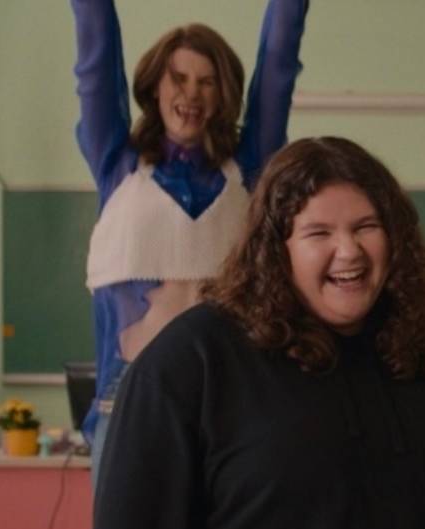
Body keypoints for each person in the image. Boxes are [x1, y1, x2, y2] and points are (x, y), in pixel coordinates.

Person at [86, 137, 425, 529]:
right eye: (319, 232)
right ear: (277, 248)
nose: (349, 251)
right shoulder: (193, 363)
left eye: (366, 227)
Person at [70, 0, 308, 478]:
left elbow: (279, 64)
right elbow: (95, 62)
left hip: (227, 405)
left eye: (207, 81)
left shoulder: (249, 166)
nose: (191, 93)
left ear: (223, 94)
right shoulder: (119, 164)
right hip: (127, 401)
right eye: (179, 78)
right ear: (155, 87)